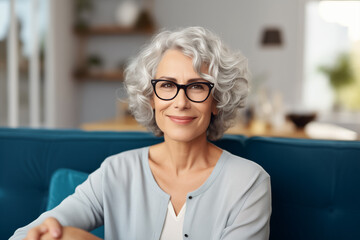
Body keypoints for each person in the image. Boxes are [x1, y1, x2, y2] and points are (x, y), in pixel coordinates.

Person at [10, 26, 271, 240]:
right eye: (167, 85)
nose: (180, 102)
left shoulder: (249, 183)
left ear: (216, 101)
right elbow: (29, 234)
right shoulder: (116, 172)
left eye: (197, 87)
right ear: (151, 99)